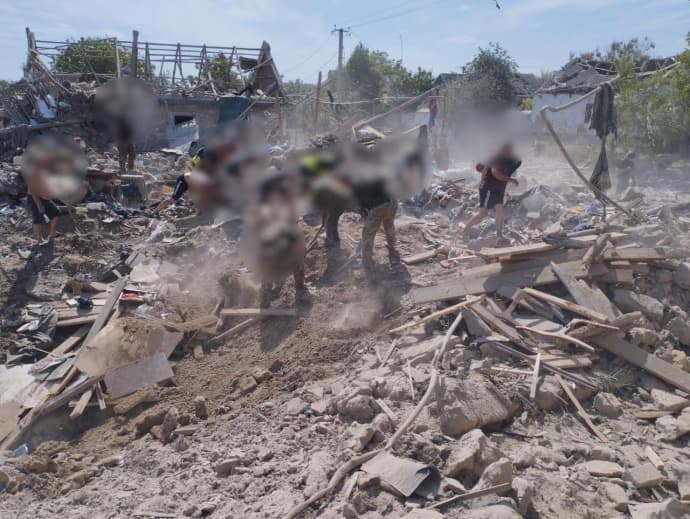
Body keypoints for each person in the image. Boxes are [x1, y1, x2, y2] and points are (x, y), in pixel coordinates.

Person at [462, 143, 521, 245]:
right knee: (483, 213)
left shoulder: (501, 159)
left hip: (497, 189)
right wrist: (511, 180)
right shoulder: (497, 158)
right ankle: (465, 231)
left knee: (500, 212)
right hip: (489, 189)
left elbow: (480, 167)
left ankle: (499, 235)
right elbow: (495, 173)